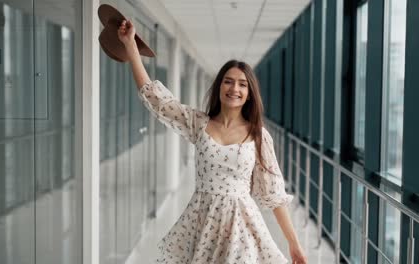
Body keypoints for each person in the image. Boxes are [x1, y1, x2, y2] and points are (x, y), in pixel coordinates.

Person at [118, 19, 308, 264]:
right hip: (202, 221)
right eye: (228, 81)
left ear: (249, 93)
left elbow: (275, 195)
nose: (234, 88)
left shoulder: (258, 135)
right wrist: (130, 46)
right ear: (219, 86)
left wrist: (295, 244)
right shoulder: (199, 123)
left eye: (242, 84)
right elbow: (158, 102)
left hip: (241, 225)